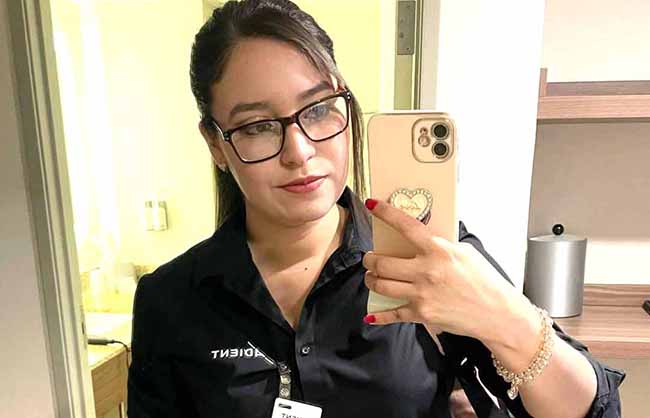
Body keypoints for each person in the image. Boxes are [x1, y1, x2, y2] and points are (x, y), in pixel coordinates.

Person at [127, 1, 625, 417]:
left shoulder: (429, 258)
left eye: (317, 109)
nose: (299, 151)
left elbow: (594, 409)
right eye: (257, 126)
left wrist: (502, 318)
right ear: (216, 144)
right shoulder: (170, 301)